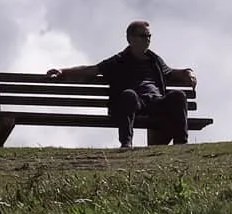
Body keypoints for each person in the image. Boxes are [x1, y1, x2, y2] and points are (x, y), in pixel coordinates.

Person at [46, 20, 197, 149]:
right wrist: (62, 71)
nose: (148, 39)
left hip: (156, 101)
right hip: (136, 102)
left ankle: (180, 144)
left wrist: (188, 73)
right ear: (130, 38)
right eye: (143, 36)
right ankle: (126, 145)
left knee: (178, 95)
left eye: (149, 36)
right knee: (128, 95)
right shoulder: (119, 60)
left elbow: (171, 72)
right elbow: (91, 70)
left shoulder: (154, 59)